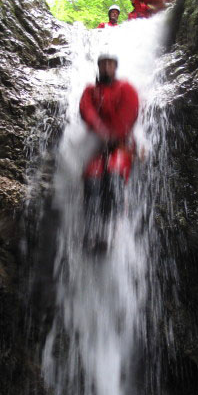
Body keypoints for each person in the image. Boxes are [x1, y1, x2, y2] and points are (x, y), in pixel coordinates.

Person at [79, 54, 139, 251]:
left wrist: (113, 135)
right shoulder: (90, 90)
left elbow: (129, 113)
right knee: (91, 182)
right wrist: (101, 132)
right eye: (103, 64)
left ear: (115, 67)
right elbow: (86, 110)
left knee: (113, 180)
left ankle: (110, 233)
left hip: (119, 147)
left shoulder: (126, 88)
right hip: (97, 147)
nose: (106, 68)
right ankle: (90, 231)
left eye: (110, 64)